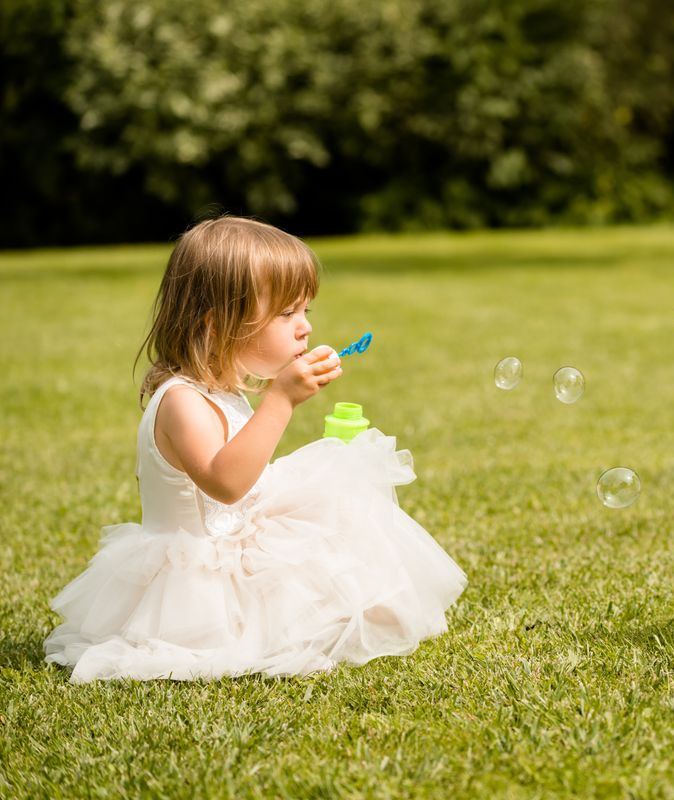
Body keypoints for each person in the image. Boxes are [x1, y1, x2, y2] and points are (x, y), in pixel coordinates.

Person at [44, 216, 466, 682]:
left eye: (306, 311)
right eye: (287, 315)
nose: (305, 328)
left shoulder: (223, 389)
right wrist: (281, 399)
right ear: (216, 324)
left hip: (237, 542)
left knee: (340, 499)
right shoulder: (182, 402)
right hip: (195, 583)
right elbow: (226, 483)